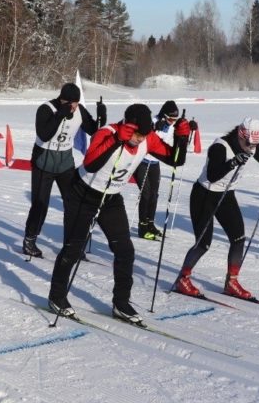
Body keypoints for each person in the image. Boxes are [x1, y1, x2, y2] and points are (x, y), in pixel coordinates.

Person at [47, 104, 190, 325]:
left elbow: (176, 160)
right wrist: (116, 141)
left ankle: (121, 303)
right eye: (137, 134)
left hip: (111, 198)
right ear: (127, 126)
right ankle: (56, 297)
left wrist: (182, 138)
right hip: (82, 194)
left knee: (125, 250)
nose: (141, 140)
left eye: (144, 135)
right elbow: (91, 164)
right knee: (73, 248)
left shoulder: (148, 138)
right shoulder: (107, 133)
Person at [173, 118, 259, 300]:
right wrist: (233, 162)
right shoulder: (220, 147)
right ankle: (183, 279)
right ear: (240, 135)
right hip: (204, 195)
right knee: (203, 243)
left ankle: (231, 283)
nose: (251, 147)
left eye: (255, 144)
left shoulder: (250, 144)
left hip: (226, 195)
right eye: (249, 143)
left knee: (238, 238)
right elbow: (212, 176)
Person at [22, 83, 106, 258]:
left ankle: (72, 244)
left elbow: (95, 131)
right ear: (62, 100)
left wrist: (101, 117)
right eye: (70, 103)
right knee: (40, 204)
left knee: (73, 204)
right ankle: (30, 239)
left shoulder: (79, 110)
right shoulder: (46, 109)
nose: (74, 107)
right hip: (43, 161)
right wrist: (60, 114)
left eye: (76, 103)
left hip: (65, 163)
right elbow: (44, 134)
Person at [133, 100, 198, 240]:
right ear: (163, 115)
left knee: (154, 194)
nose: (171, 122)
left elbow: (181, 130)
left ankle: (150, 224)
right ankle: (142, 227)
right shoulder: (153, 121)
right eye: (169, 118)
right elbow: (143, 132)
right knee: (146, 194)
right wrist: (155, 127)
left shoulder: (173, 124)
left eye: (174, 119)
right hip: (142, 162)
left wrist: (190, 128)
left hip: (155, 162)